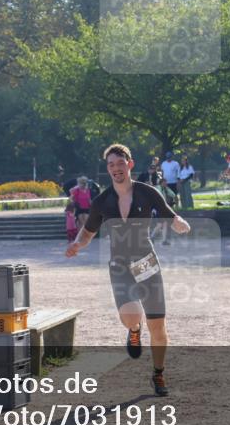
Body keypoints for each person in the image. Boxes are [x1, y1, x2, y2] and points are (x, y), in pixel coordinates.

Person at [66, 143, 191, 397]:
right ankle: (134, 331)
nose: (115, 168)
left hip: (147, 263)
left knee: (158, 326)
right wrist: (78, 243)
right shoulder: (102, 201)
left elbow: (170, 215)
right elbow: (88, 231)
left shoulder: (147, 192)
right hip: (120, 265)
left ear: (129, 164)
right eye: (111, 165)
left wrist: (179, 223)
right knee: (133, 316)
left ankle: (158, 373)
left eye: (120, 163)